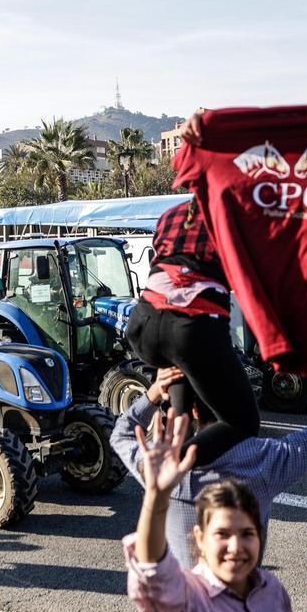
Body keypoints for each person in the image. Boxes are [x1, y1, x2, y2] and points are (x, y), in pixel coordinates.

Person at [112, 365, 307, 567]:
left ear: (195, 410)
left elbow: (121, 435)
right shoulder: (264, 459)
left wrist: (153, 393)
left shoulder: (163, 471)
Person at [124, 410, 298, 612]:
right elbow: (152, 571)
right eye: (222, 534)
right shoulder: (188, 599)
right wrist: (156, 496)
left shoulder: (271, 589)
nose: (235, 548)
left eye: (247, 533)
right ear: (200, 538)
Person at [124, 189, 260, 465]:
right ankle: (168, 466)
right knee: (242, 423)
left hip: (143, 323)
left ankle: (178, 481)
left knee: (180, 416)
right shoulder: (236, 218)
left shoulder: (169, 215)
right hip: (192, 327)